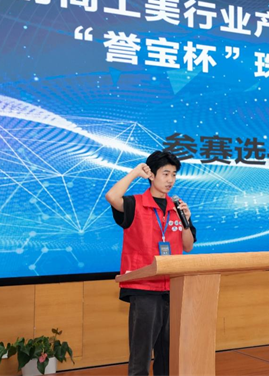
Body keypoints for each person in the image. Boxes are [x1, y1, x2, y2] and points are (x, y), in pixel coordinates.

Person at [105, 150, 196, 376]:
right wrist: (135, 172)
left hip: (172, 288)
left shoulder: (177, 207)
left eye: (174, 174)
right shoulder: (134, 204)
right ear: (151, 175)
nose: (170, 180)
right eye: (165, 174)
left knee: (168, 355)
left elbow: (188, 246)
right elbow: (112, 196)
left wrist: (186, 221)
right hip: (144, 288)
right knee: (141, 355)